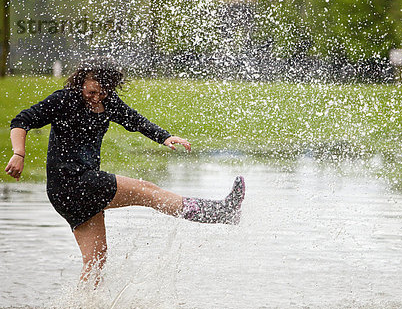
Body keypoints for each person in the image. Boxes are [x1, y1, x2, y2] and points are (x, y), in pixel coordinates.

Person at [5, 57, 245, 283]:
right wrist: (19, 154)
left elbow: (136, 121)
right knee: (149, 192)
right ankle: (219, 212)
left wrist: (165, 137)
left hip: (69, 192)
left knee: (96, 260)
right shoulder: (64, 99)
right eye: (91, 92)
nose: (96, 98)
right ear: (80, 83)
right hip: (72, 182)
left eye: (102, 92)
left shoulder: (107, 103)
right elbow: (21, 120)